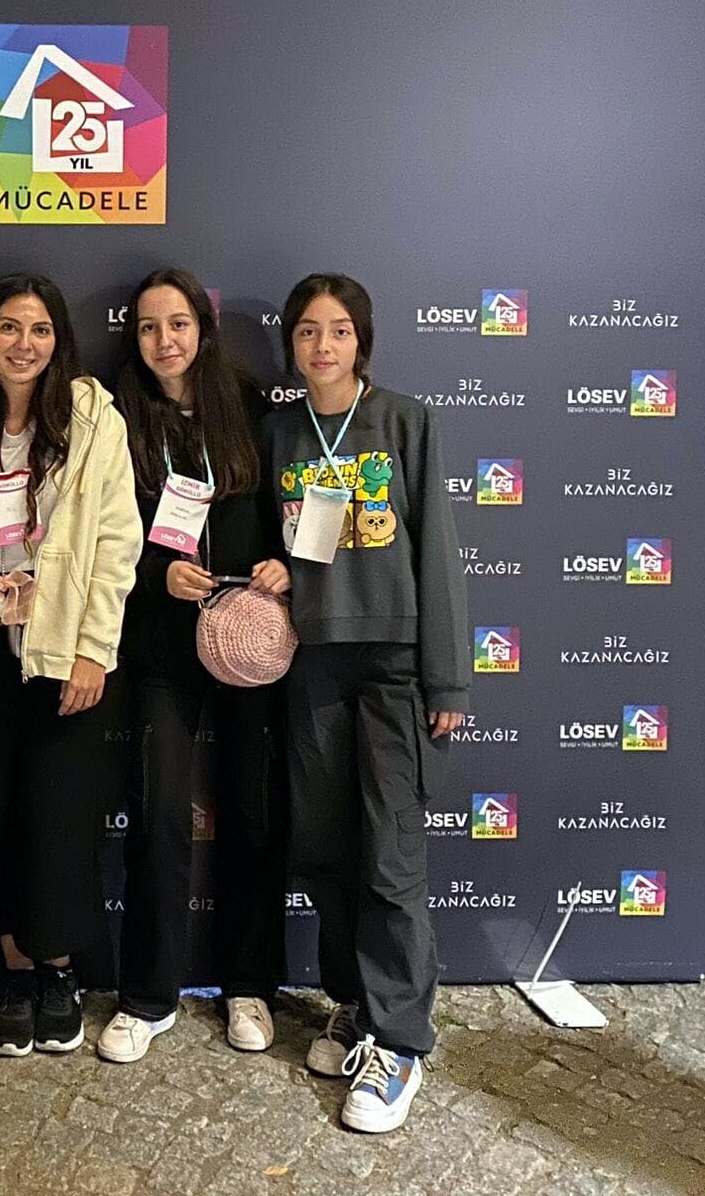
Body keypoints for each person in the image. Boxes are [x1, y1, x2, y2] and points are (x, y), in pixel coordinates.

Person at [261, 273, 467, 1135]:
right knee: (326, 846)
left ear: (362, 341)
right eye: (308, 331)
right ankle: (354, 1002)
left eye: (339, 330)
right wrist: (276, 570)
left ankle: (401, 1042)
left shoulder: (405, 421)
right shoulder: (281, 430)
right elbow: (285, 538)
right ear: (292, 344)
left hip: (391, 663)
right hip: (313, 661)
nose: (323, 346)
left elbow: (438, 552)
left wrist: (446, 676)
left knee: (390, 853)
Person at [0, 273, 141, 1058]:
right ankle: (15, 975)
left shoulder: (90, 419)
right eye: (10, 328)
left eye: (41, 329)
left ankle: (58, 973)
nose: (25, 344)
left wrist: (93, 650)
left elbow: (116, 540)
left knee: (58, 815)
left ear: (60, 341)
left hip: (59, 646)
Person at [98, 268, 289, 1067]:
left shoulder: (246, 404)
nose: (164, 340)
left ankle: (248, 984)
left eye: (177, 324)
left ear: (202, 331)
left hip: (247, 638)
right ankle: (148, 996)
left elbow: (286, 507)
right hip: (163, 644)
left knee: (251, 810)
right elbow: (104, 526)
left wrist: (282, 564)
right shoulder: (116, 415)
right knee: (159, 818)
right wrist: (157, 573)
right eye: (148, 327)